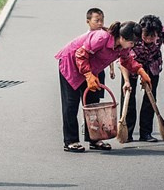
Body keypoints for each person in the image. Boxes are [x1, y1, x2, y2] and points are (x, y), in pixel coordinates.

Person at [55, 21, 152, 153]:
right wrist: (88, 75)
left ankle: (94, 139)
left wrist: (141, 71)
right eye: (131, 42)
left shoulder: (123, 46)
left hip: (92, 69)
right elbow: (80, 54)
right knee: (71, 104)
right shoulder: (102, 37)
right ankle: (71, 141)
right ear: (122, 38)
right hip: (71, 65)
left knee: (93, 104)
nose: (132, 45)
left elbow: (126, 60)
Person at [119, 15, 164, 143]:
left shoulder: (163, 31)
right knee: (128, 97)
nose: (149, 40)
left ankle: (146, 133)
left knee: (150, 98)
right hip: (131, 63)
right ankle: (128, 133)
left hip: (153, 63)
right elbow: (122, 59)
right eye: (145, 36)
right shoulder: (133, 34)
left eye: (152, 37)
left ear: (158, 33)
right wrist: (126, 81)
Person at [85, 8, 115, 97]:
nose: (100, 23)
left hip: (99, 70)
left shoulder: (105, 35)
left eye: (102, 20)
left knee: (96, 98)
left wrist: (111, 69)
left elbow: (111, 53)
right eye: (96, 21)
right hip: (88, 70)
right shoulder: (87, 37)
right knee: (87, 95)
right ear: (88, 21)